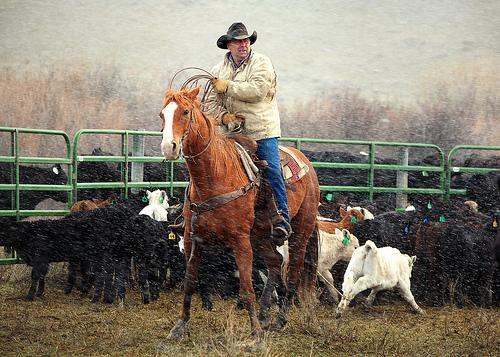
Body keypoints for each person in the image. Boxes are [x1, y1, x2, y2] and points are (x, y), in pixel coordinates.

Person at [207, 22, 291, 244]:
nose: (243, 44)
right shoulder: (217, 70)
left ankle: (282, 217)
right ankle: (194, 213)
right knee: (207, 167)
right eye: (238, 41)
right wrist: (224, 117)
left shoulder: (262, 63)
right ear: (229, 45)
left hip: (260, 131)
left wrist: (228, 87)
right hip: (230, 133)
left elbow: (257, 90)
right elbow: (209, 103)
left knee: (272, 169)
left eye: (245, 40)